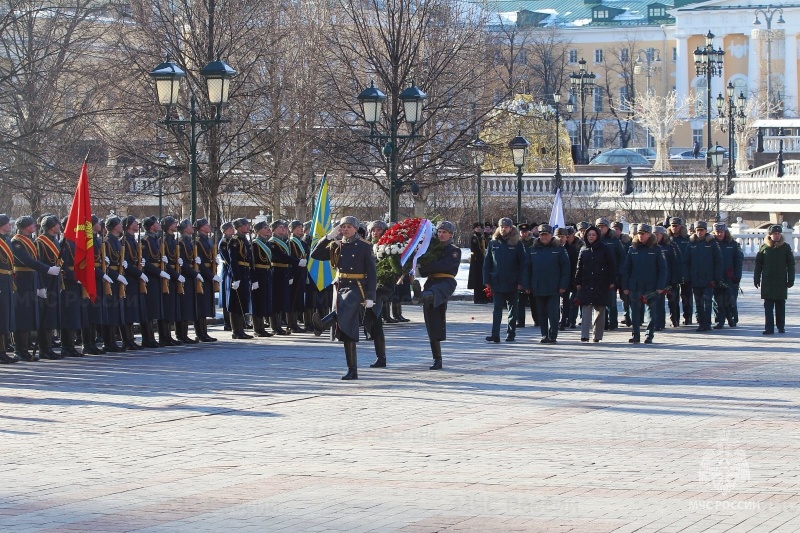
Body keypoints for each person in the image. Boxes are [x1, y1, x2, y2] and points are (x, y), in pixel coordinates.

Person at [311, 216, 377, 380]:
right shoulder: (336, 245)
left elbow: (372, 273)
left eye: (348, 226)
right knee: (347, 329)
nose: (345, 229)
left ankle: (323, 324)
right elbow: (315, 254)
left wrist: (370, 296)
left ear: (355, 228)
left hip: (357, 286)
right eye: (343, 227)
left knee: (344, 308)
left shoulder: (364, 247)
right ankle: (352, 369)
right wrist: (328, 237)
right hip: (340, 285)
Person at [415, 221, 461, 370]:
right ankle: (437, 358)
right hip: (431, 281)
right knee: (432, 321)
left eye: (445, 232)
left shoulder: (454, 250)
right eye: (440, 232)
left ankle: (422, 295)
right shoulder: (431, 249)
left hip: (446, 282)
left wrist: (426, 265)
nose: (441, 235)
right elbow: (423, 272)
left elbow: (445, 265)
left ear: (451, 235)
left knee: (433, 293)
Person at [621, 224, 668, 344]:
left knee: (651, 312)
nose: (641, 236)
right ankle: (636, 335)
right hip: (635, 286)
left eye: (643, 234)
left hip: (651, 286)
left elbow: (663, 269)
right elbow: (626, 269)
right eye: (639, 234)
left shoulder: (656, 249)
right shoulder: (633, 249)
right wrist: (625, 286)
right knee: (635, 313)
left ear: (649, 234)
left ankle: (649, 335)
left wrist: (660, 286)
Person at [483, 217, 526, 343]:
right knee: (497, 309)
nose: (503, 229)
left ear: (511, 228)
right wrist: (487, 279)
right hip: (497, 281)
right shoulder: (493, 242)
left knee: (512, 310)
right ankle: (495, 334)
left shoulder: (517, 243)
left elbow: (523, 264)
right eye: (501, 227)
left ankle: (511, 333)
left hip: (512, 282)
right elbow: (487, 263)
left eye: (506, 227)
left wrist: (520, 282)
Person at [523, 224, 569, 344]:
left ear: (551, 235)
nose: (544, 237)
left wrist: (563, 285)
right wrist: (526, 285)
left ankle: (553, 335)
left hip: (554, 287)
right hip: (538, 287)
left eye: (546, 235)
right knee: (541, 313)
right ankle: (544, 335)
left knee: (553, 314)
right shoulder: (533, 250)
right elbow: (527, 269)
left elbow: (566, 269)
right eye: (542, 235)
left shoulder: (559, 249)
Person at [575, 225, 615, 342]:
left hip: (601, 282)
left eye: (593, 235)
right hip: (586, 282)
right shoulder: (584, 249)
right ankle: (584, 335)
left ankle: (597, 335)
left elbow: (611, 266)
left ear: (597, 236)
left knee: (600, 309)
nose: (591, 237)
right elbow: (579, 267)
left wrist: (611, 281)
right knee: (586, 308)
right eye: (589, 235)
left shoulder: (605, 249)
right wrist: (578, 281)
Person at [754, 225, 795, 335]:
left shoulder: (785, 247)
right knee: (768, 306)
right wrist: (756, 278)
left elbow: (791, 264)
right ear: (770, 235)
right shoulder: (764, 248)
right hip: (767, 281)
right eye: (774, 234)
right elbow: (758, 264)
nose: (776, 236)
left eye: (778, 234)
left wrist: (791, 279)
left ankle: (781, 326)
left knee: (780, 305)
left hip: (781, 281)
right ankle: (769, 328)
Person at [683, 221, 722, 332]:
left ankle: (707, 323)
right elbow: (686, 261)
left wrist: (717, 277)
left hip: (708, 278)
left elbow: (718, 261)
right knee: (698, 302)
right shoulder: (691, 244)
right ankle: (701, 323)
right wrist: (687, 277)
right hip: (695, 278)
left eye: (701, 230)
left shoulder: (712, 243)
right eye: (697, 230)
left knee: (708, 302)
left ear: (705, 231)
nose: (699, 232)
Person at [58, 215, 88, 357]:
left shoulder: (74, 241)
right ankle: (66, 346)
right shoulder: (64, 242)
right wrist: (75, 277)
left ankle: (71, 346)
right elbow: (62, 264)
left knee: (75, 314)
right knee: (68, 315)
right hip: (68, 283)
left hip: (76, 281)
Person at [36, 215, 65, 358]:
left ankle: (48, 348)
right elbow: (39, 265)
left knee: (52, 316)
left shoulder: (54, 240)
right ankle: (44, 349)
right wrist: (40, 286)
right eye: (57, 224)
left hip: (55, 280)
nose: (59, 226)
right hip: (47, 282)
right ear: (51, 226)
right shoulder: (40, 242)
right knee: (46, 316)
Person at [365, 220, 389, 368]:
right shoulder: (366, 246)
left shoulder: (389, 247)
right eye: (373, 230)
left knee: (376, 319)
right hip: (365, 286)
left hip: (380, 288)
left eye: (379, 230)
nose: (375, 232)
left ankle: (381, 357)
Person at [193, 218, 220, 342]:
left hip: (209, 273)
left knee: (206, 305)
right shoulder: (198, 241)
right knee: (201, 305)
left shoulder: (207, 240)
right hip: (203, 275)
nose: (209, 226)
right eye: (206, 225)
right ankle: (200, 332)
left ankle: (204, 331)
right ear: (201, 228)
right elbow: (201, 263)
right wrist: (210, 275)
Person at [712, 222, 743, 329]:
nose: (719, 234)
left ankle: (732, 318)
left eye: (721, 232)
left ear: (725, 232)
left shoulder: (733, 244)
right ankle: (719, 320)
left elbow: (738, 261)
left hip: (730, 276)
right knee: (718, 300)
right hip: (717, 276)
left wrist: (737, 276)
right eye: (717, 232)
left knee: (730, 300)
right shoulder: (712, 244)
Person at [596, 217, 624, 330]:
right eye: (598, 226)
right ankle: (603, 323)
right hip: (597, 275)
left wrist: (618, 274)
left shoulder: (614, 240)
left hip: (611, 275)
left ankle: (613, 322)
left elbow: (622, 258)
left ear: (607, 228)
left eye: (602, 226)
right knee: (600, 301)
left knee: (611, 301)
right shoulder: (594, 239)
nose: (600, 229)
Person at [228, 218, 254, 339]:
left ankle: (241, 329)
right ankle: (236, 331)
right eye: (245, 225)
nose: (248, 227)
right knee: (236, 303)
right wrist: (236, 277)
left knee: (242, 301)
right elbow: (233, 260)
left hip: (245, 272)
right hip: (238, 272)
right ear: (239, 227)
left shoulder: (245, 240)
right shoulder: (235, 241)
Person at [176, 219, 200, 344]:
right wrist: (195, 273)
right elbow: (183, 263)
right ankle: (181, 334)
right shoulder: (181, 242)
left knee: (188, 306)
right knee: (183, 306)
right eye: (190, 226)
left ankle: (184, 334)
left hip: (189, 276)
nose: (192, 227)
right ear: (185, 229)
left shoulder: (188, 242)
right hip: (184, 276)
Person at [250, 220, 274, 337]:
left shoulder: (266, 243)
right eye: (265, 228)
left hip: (266, 274)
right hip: (259, 274)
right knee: (258, 301)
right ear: (259, 231)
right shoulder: (255, 243)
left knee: (264, 301)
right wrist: (253, 279)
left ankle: (262, 328)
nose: (268, 230)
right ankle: (257, 328)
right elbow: (252, 263)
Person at [654, 225, 681, 331]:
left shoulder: (671, 246)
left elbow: (676, 263)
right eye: (654, 234)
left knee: (673, 301)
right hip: (658, 279)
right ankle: (659, 322)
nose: (656, 236)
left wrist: (675, 279)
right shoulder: (652, 246)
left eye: (658, 234)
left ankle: (675, 319)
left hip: (670, 279)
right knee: (658, 302)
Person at [667, 217, 692, 326]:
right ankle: (674, 319)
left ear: (681, 227)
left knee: (686, 297)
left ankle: (688, 317)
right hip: (673, 273)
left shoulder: (687, 239)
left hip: (686, 272)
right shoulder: (667, 240)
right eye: (672, 226)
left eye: (676, 226)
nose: (674, 228)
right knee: (672, 298)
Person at [0, 214, 17, 363]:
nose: (9, 225)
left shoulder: (6, 241)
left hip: (6, 280)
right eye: (7, 223)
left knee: (5, 317)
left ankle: (3, 350)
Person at [516, 223, 538, 328]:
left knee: (534, 300)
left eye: (526, 232)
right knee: (520, 301)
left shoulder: (535, 242)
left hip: (533, 273)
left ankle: (537, 320)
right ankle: (520, 321)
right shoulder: (516, 242)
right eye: (522, 232)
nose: (524, 233)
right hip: (521, 273)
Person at [556, 227, 579, 331]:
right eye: (558, 236)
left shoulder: (572, 249)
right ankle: (556, 320)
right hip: (554, 279)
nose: (560, 239)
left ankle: (564, 320)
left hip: (568, 280)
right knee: (555, 302)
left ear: (567, 237)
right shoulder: (552, 248)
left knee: (565, 302)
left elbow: (575, 266)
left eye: (563, 236)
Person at [218, 221, 235, 331]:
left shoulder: (232, 240)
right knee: (227, 297)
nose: (233, 229)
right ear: (225, 230)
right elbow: (228, 259)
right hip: (227, 270)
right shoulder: (224, 242)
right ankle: (227, 322)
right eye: (230, 228)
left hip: (232, 269)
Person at [467, 222, 488, 304]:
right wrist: (480, 257)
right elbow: (475, 249)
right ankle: (478, 298)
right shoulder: (474, 238)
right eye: (477, 227)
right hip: (476, 261)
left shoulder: (482, 237)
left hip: (482, 260)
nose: (479, 229)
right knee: (477, 280)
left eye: (480, 227)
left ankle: (483, 297)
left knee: (482, 279)